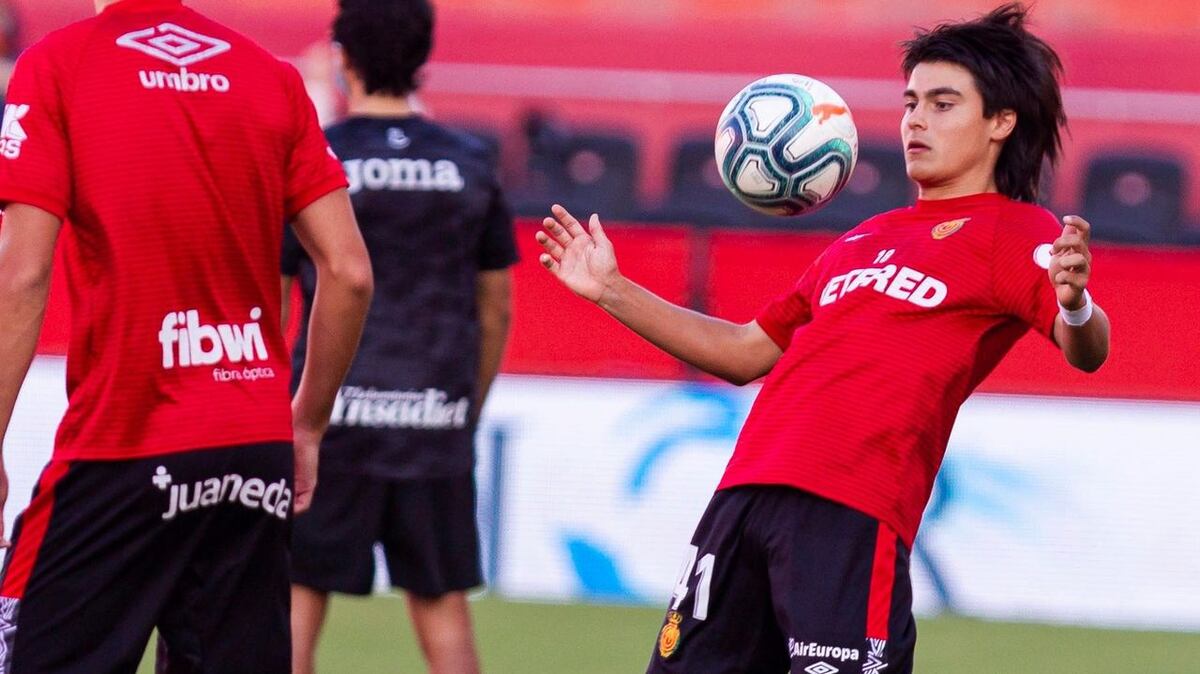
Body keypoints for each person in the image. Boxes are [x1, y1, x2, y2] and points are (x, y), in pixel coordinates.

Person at [535, 5, 1110, 673]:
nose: (916, 121)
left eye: (943, 104)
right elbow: (745, 353)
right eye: (910, 102)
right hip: (743, 498)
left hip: (849, 515)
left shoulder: (1019, 233)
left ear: (1001, 122)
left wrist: (1074, 304)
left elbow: (1088, 349)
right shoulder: (861, 240)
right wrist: (612, 288)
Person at [0, 0, 374, 671]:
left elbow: (22, 274)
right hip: (252, 450)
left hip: (124, 444)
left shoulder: (58, 65)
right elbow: (348, 273)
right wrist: (308, 426)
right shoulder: (270, 77)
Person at [283, 2, 517, 674]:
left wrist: (291, 412)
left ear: (342, 57)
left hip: (326, 424)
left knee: (295, 605)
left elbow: (274, 308)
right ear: (422, 58)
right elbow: (495, 307)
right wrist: (463, 409)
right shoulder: (472, 161)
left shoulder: (314, 158)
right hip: (434, 422)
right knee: (442, 609)